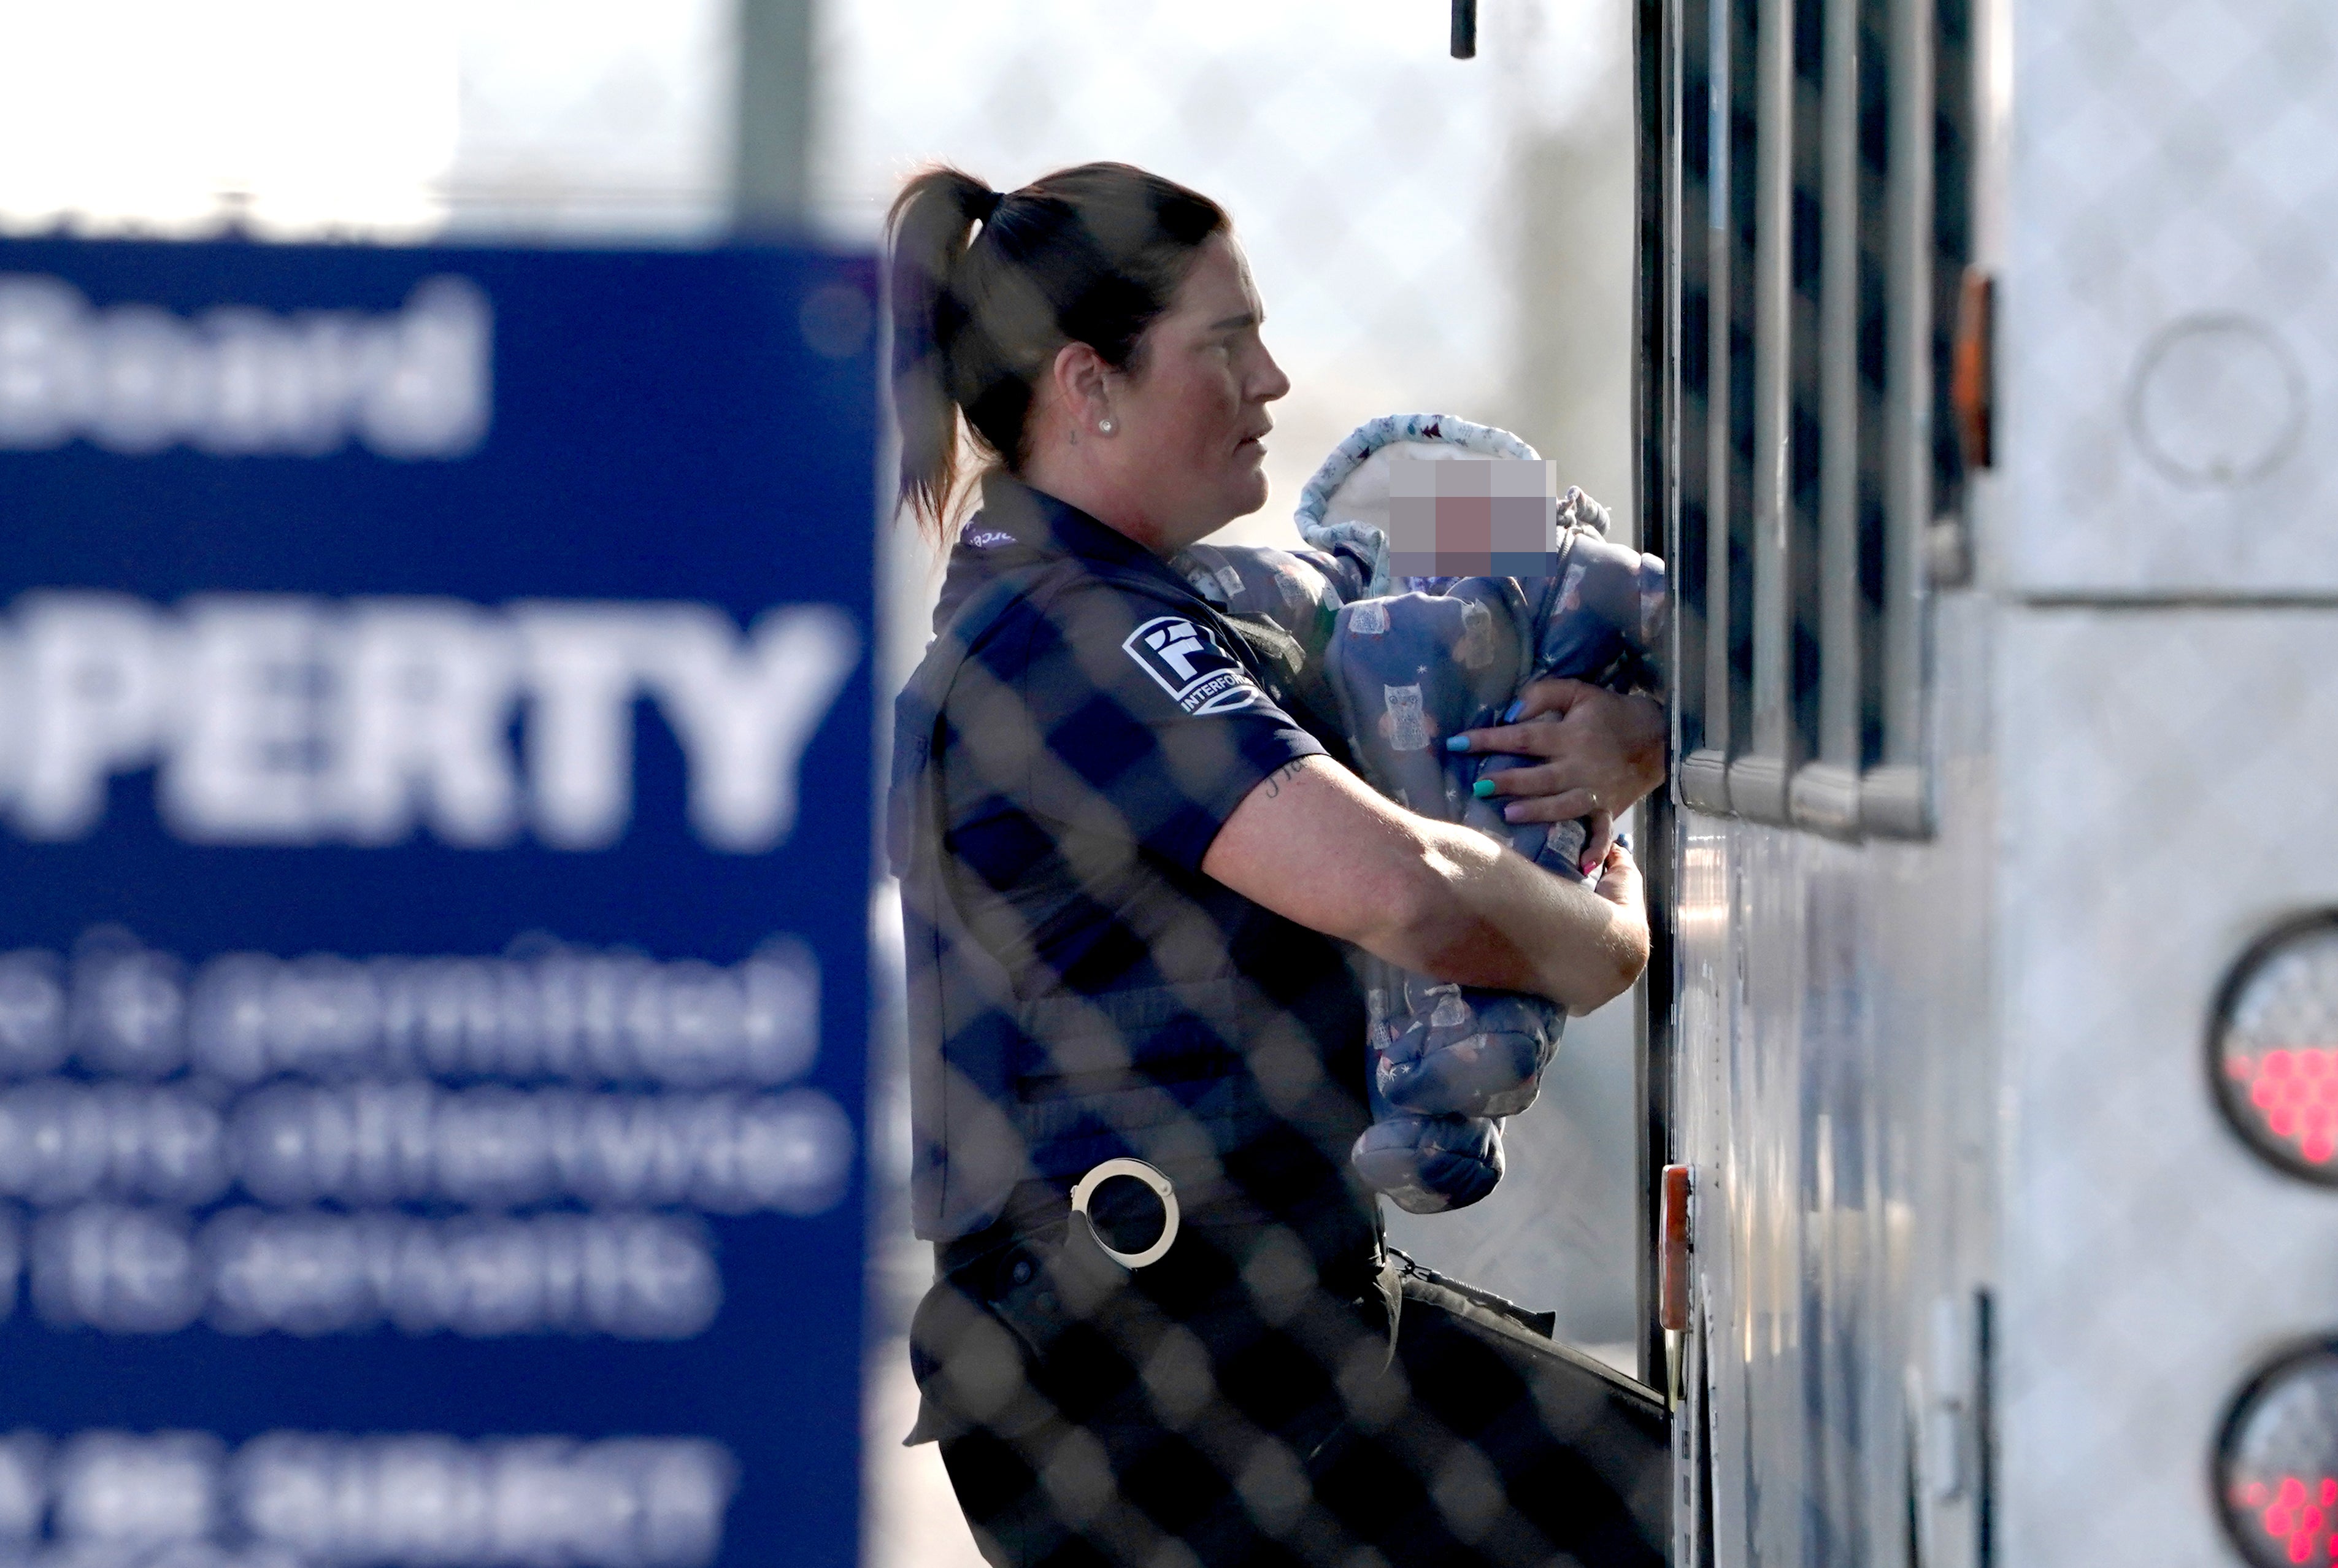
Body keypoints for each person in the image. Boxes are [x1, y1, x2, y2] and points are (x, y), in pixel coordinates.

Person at [886, 161, 1671, 1568]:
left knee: (1670, 1505)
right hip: (1153, 1389)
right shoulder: (1080, 643)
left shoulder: (1147, 608)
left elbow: (1476, 641)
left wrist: (1615, 737)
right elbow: (1411, 897)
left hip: (1251, 1335)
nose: (1273, 381)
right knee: (1646, 1517)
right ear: (1091, 386)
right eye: (1225, 343)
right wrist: (1612, 936)